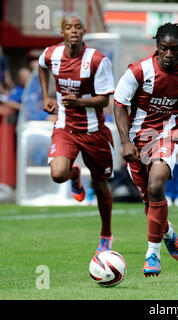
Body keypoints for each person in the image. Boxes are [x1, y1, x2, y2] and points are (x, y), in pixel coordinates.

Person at [113, 23, 178, 277]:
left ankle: (152, 255)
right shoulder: (137, 71)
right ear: (157, 47)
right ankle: (167, 232)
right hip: (137, 139)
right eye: (163, 48)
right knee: (149, 200)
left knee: (156, 186)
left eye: (174, 49)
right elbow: (119, 104)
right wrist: (125, 142)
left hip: (169, 135)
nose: (168, 54)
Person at [38, 14, 115, 253]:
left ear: (84, 32)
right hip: (65, 126)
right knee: (57, 174)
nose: (73, 31)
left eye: (78, 27)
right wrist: (46, 95)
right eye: (69, 28)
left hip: (93, 130)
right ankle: (73, 175)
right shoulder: (52, 54)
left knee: (100, 184)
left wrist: (79, 103)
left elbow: (104, 101)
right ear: (62, 32)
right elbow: (41, 66)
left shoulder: (97, 60)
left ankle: (106, 234)